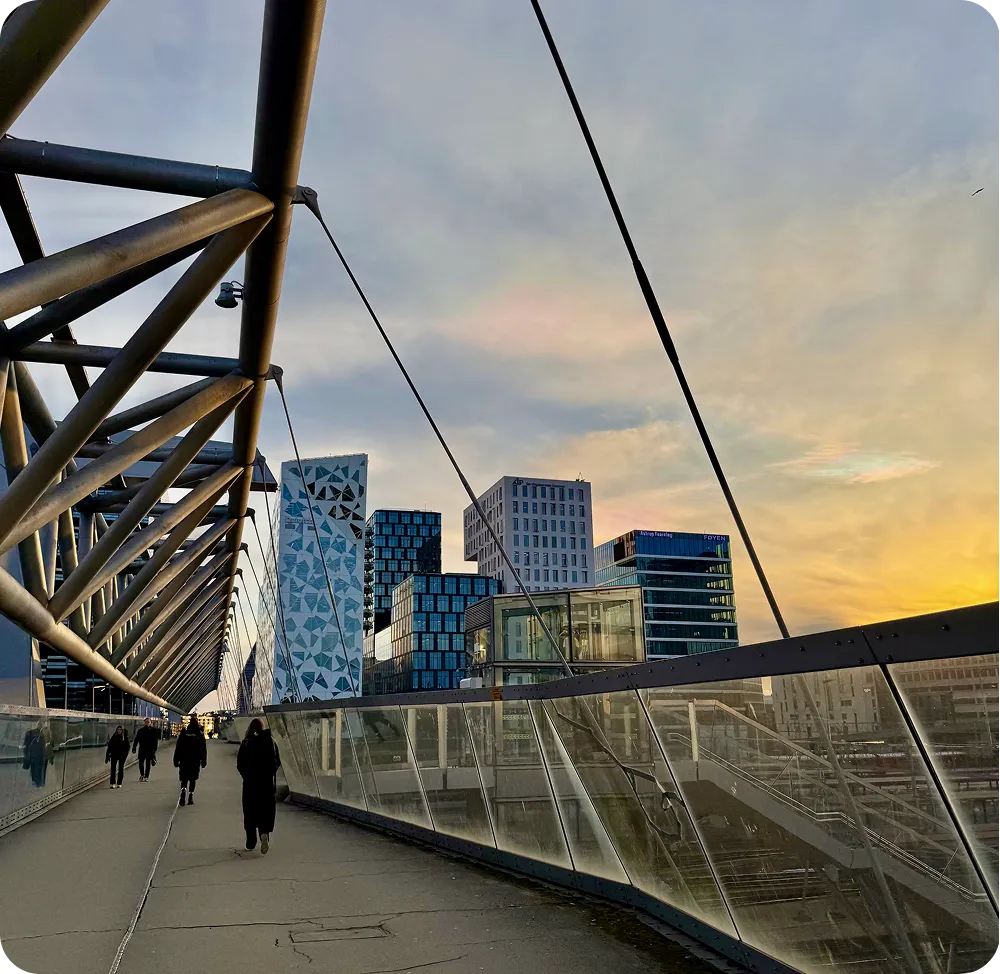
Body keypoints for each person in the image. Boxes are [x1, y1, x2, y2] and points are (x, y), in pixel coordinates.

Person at [236, 718, 280, 854]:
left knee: (250, 812)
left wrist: (247, 776)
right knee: (265, 811)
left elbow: (240, 764)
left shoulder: (246, 743)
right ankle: (264, 834)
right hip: (266, 784)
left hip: (250, 784)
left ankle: (251, 841)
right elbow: (276, 761)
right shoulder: (271, 742)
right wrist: (269, 774)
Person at [173, 715, 206, 806]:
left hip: (184, 760)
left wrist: (176, 760)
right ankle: (190, 796)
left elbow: (178, 748)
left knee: (184, 778)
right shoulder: (199, 734)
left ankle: (183, 790)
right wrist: (203, 761)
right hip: (195, 760)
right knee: (193, 778)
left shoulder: (183, 734)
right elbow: (203, 749)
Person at [22, 720, 53, 788]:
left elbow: (49, 744)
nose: (40, 725)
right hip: (36, 755)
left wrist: (50, 756)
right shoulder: (31, 733)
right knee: (36, 769)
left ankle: (39, 782)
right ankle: (37, 782)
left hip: (42, 755)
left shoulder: (45, 733)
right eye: (39, 723)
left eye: (41, 724)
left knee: (41, 769)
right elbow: (26, 745)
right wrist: (26, 755)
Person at [132, 717, 159, 782]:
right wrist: (134, 748)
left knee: (148, 763)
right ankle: (142, 774)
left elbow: (155, 740)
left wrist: (154, 749)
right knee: (141, 762)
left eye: (148, 722)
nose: (147, 723)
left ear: (150, 723)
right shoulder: (141, 731)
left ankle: (146, 776)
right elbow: (136, 740)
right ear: (144, 723)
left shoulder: (154, 730)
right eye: (146, 722)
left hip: (150, 750)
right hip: (142, 749)